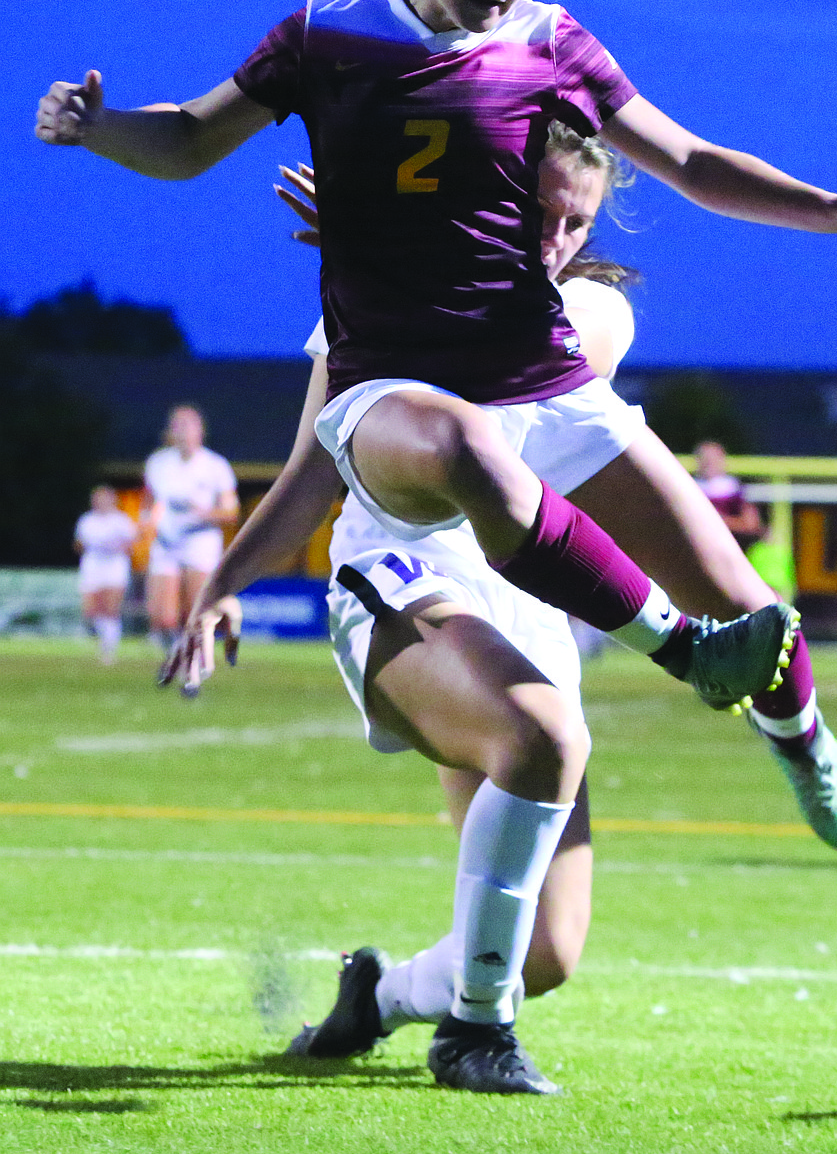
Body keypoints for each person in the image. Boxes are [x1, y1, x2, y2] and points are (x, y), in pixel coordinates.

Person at [38, 0, 837, 1075]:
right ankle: (682, 659)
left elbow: (686, 160)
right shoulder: (330, 35)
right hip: (387, 405)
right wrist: (98, 131)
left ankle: (795, 732)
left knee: (753, 609)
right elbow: (192, 136)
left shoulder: (551, 43)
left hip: (546, 394)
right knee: (471, 453)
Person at [169, 128, 639, 1093]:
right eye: (535, 209)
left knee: (541, 952)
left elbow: (519, 340)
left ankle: (377, 996)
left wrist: (389, 257)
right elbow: (312, 472)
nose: (552, 236)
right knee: (542, 733)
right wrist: (222, 584)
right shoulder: (365, 304)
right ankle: (474, 1039)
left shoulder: (595, 307)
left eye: (574, 221)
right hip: (398, 579)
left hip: (524, 606)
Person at [143, 405, 240, 658]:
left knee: (195, 612)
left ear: (200, 431)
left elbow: (231, 512)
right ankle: (175, 653)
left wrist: (202, 512)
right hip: (167, 542)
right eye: (178, 425)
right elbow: (149, 502)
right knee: (162, 617)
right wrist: (147, 524)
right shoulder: (158, 463)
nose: (183, 431)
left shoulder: (215, 465)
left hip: (200, 541)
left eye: (189, 425)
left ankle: (192, 661)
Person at [73, 485, 139, 663]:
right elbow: (78, 544)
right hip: (93, 566)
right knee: (91, 609)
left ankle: (109, 649)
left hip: (114, 567)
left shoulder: (121, 520)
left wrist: (115, 547)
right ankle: (104, 639)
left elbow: (131, 545)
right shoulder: (87, 520)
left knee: (110, 608)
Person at [693, 440, 763, 552]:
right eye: (705, 459)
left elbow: (751, 524)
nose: (710, 463)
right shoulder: (691, 489)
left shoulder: (735, 490)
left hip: (732, 547)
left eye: (714, 459)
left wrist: (718, 521)